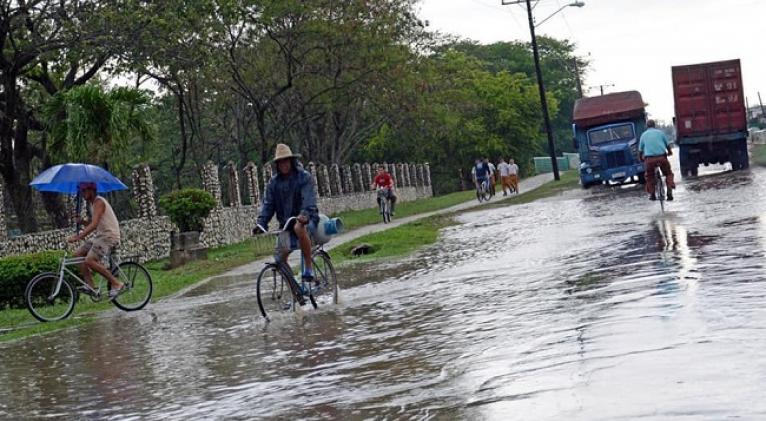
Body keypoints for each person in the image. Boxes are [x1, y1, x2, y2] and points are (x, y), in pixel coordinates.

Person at [254, 144, 319, 297]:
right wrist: (261, 224)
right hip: (286, 225)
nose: (284, 164)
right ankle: (296, 291)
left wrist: (304, 215)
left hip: (306, 220)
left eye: (286, 161)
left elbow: (308, 200)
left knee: (298, 227)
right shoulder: (273, 184)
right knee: (279, 258)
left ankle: (308, 268)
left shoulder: (304, 177)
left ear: (291, 161)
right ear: (277, 164)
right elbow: (268, 205)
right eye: (281, 162)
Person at [66, 182, 124, 299]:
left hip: (108, 236)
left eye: (84, 190)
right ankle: (90, 286)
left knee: (90, 260)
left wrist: (78, 237)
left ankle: (116, 283)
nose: (83, 193)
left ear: (91, 190)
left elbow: (94, 224)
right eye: (82, 191)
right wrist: (81, 221)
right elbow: (93, 223)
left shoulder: (99, 202)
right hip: (100, 236)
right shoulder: (92, 204)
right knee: (77, 255)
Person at [639, 119, 675, 201]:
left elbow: (640, 150)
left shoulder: (643, 135)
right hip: (662, 158)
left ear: (647, 126)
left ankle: (652, 195)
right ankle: (669, 189)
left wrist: (641, 158)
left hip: (649, 160)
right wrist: (669, 152)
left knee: (649, 176)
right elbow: (667, 145)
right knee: (668, 173)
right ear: (654, 125)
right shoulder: (660, 133)